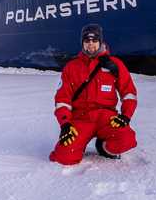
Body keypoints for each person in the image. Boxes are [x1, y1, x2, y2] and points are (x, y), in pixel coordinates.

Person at [49, 23, 138, 165]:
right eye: (87, 41)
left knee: (127, 140)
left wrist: (126, 116)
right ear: (82, 43)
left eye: (94, 40)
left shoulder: (114, 65)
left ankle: (103, 147)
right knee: (64, 157)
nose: (90, 45)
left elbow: (129, 93)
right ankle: (79, 144)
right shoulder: (72, 67)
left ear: (101, 42)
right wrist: (65, 124)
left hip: (106, 117)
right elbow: (62, 99)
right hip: (81, 119)